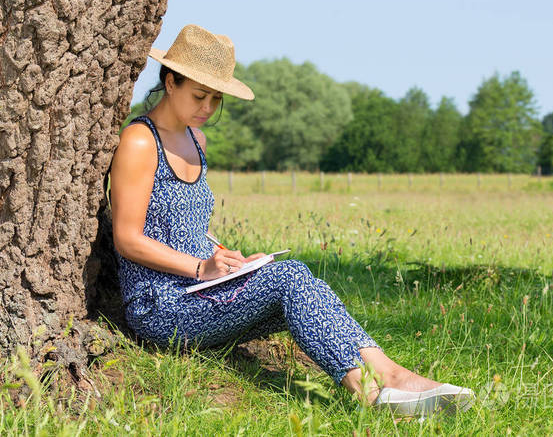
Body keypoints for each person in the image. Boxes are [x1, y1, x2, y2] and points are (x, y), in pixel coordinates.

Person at [110, 24, 474, 417]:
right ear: (170, 82)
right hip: (161, 307)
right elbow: (128, 238)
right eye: (200, 95)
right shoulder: (140, 141)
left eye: (217, 98)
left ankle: (387, 382)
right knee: (289, 277)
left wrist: (229, 260)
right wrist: (200, 267)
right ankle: (378, 389)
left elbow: (185, 225)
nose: (208, 108)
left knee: (293, 277)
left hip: (204, 292)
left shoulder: (197, 140)